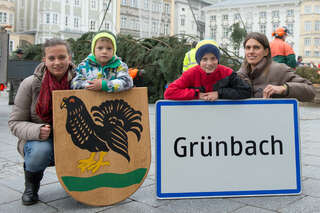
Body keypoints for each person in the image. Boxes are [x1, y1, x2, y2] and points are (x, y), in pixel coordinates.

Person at [8, 38, 75, 205]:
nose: (57, 62)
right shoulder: (30, 84)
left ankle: (80, 183)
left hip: (72, 138)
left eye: (62, 57)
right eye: (52, 58)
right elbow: (15, 122)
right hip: (42, 139)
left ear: (70, 58)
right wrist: (37, 131)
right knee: (40, 150)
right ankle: (31, 186)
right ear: (44, 60)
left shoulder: (79, 83)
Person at [237, 32, 315, 102]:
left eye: (256, 47)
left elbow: (310, 91)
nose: (251, 51)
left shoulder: (279, 70)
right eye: (248, 48)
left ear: (266, 52)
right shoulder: (238, 75)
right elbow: (291, 60)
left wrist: (284, 88)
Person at [164, 40, 251, 101]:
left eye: (213, 58)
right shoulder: (190, 74)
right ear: (199, 61)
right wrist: (196, 95)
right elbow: (169, 92)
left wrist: (219, 94)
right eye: (204, 59)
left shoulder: (227, 73)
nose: (209, 63)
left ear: (218, 60)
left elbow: (246, 91)